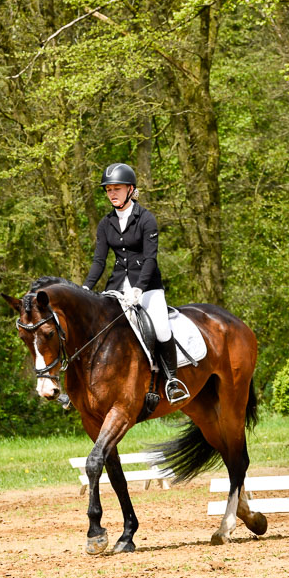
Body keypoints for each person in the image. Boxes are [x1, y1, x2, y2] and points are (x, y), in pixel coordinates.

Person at [82, 163, 189, 403]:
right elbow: (99, 261)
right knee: (95, 327)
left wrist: (140, 288)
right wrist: (86, 288)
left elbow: (150, 259)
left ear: (130, 189)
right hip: (117, 287)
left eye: (117, 189)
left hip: (148, 287)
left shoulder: (146, 219)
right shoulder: (105, 223)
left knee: (161, 328)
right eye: (108, 190)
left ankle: (172, 381)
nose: (112, 194)